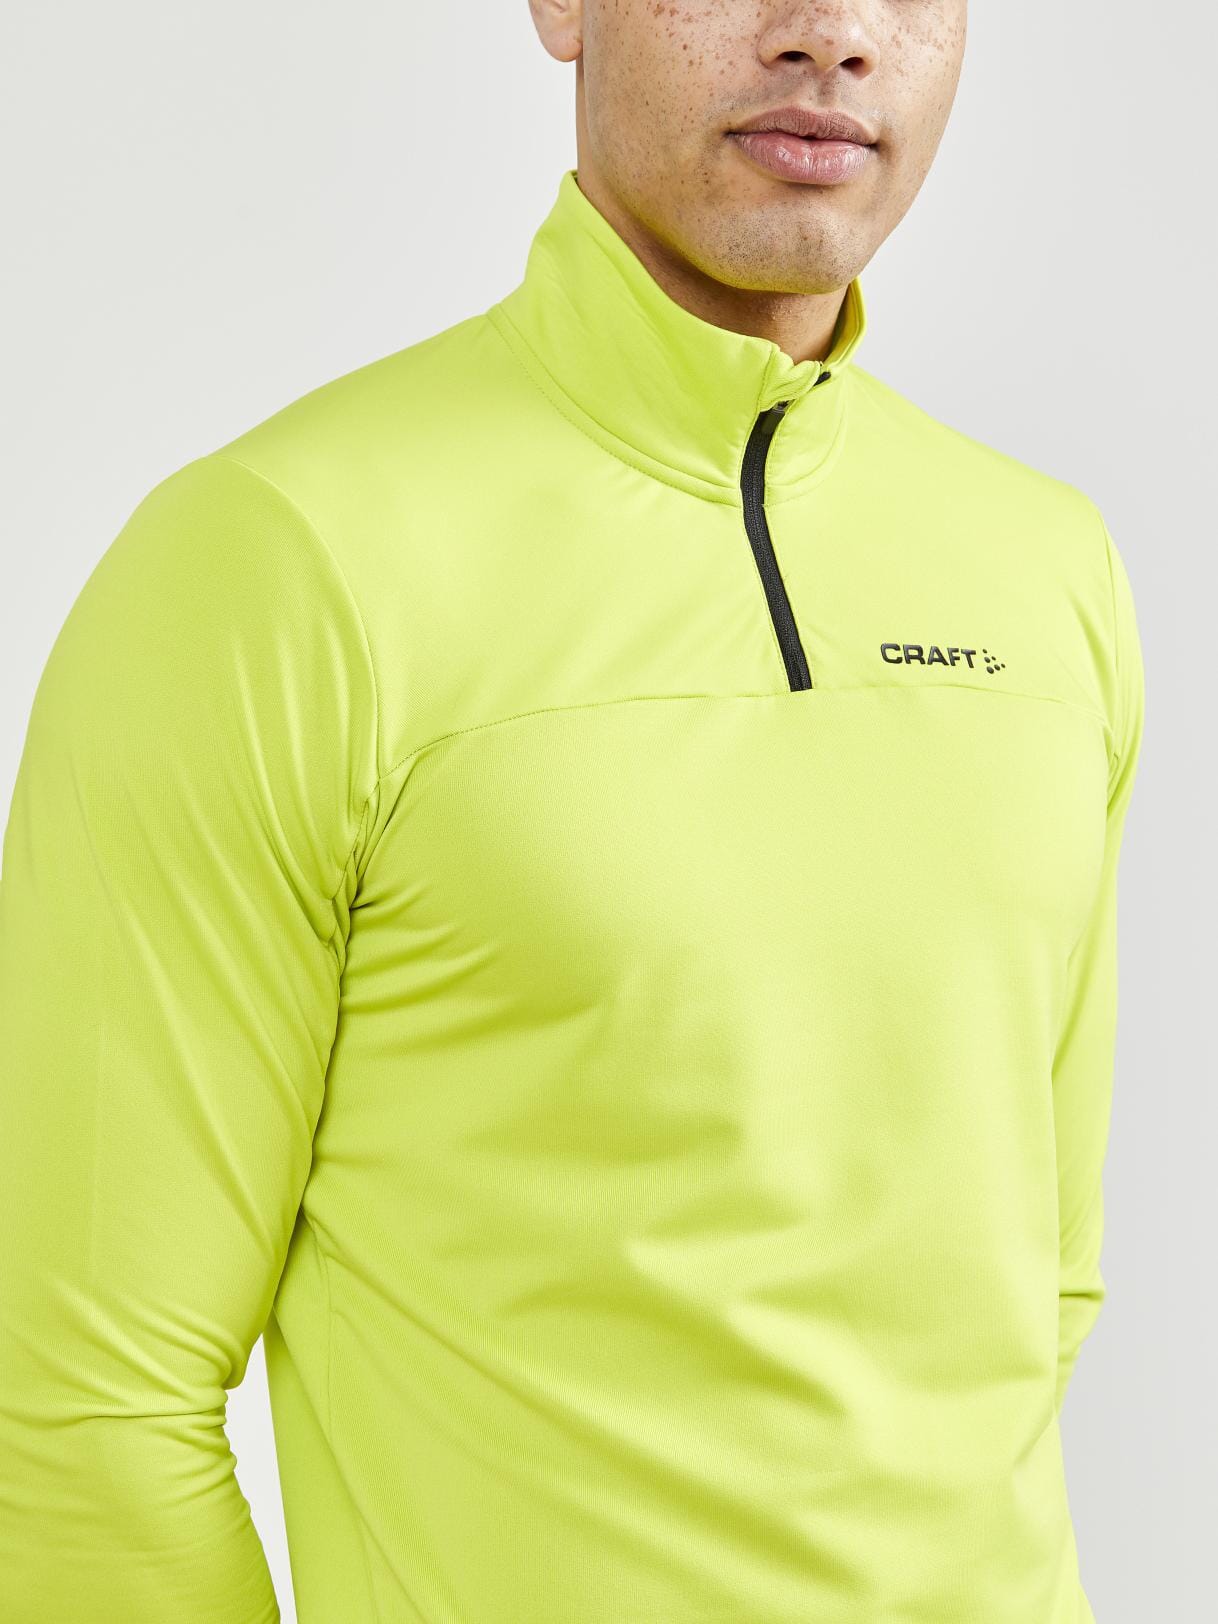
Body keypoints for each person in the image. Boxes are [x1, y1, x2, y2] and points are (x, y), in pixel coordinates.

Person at [0, 2, 1146, 1620]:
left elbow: (1035, 1294)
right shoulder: (276, 564)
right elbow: (79, 1418)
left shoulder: (1044, 567)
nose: (829, 33)